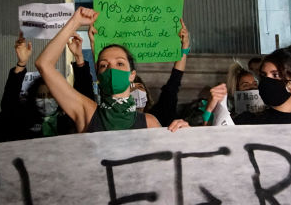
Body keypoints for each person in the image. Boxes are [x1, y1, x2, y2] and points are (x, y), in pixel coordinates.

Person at [35, 7, 188, 133]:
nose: (112, 69)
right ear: (99, 76)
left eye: (120, 64)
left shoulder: (150, 123)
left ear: (132, 75)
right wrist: (75, 21)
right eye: (104, 65)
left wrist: (186, 136)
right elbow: (44, 64)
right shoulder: (86, 112)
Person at [0, 33, 90, 141]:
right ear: (33, 97)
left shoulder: (69, 120)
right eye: (41, 96)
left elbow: (85, 97)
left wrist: (79, 58)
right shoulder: (23, 119)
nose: (46, 100)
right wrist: (21, 64)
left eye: (50, 95)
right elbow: (8, 104)